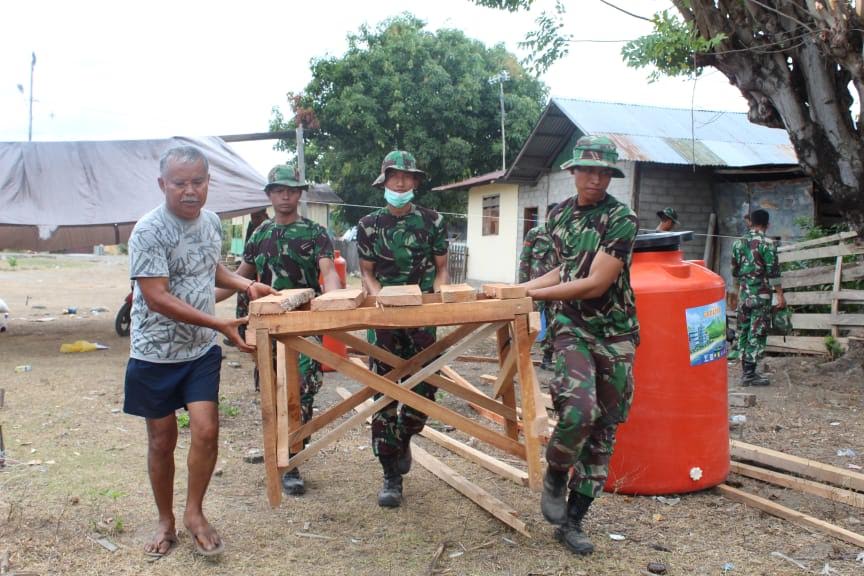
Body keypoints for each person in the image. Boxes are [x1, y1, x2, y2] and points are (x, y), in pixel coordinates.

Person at [124, 145, 275, 558]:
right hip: (155, 353)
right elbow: (156, 297)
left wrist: (246, 284)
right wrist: (219, 323)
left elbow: (209, 267)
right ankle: (165, 520)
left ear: (209, 182)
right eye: (179, 183)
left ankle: (194, 513)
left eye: (197, 182)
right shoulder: (149, 231)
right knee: (162, 439)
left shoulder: (210, 222)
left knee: (207, 430)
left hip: (199, 351)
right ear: (163, 184)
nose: (189, 191)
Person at [520, 135, 639, 556]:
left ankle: (573, 522)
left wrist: (533, 295)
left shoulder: (621, 218)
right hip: (572, 326)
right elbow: (563, 271)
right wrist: (519, 290)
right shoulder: (558, 216)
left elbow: (596, 282)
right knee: (579, 410)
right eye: (587, 170)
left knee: (604, 427)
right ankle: (556, 471)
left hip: (616, 332)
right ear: (572, 172)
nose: (595, 179)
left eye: (604, 172)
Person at [228, 162, 341, 495]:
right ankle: (279, 452)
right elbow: (241, 276)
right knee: (271, 392)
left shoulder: (315, 233)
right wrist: (198, 297)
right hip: (266, 327)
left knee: (301, 390)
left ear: (299, 195)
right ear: (270, 195)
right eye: (279, 191)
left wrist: (337, 301)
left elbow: (328, 273)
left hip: (304, 325)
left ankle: (291, 460)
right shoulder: (260, 235)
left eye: (291, 191)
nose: (285, 197)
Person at [357, 150, 449, 508]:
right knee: (383, 392)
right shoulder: (369, 225)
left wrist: (439, 299)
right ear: (384, 180)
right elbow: (367, 273)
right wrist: (381, 299)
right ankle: (390, 475)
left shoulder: (433, 221)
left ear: (415, 182)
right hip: (384, 319)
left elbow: (442, 269)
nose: (400, 182)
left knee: (424, 389)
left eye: (407, 176)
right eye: (394, 175)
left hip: (422, 316)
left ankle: (406, 435)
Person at [730, 209, 785, 386]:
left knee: (744, 331)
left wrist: (742, 284)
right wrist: (780, 295)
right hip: (761, 296)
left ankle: (745, 371)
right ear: (767, 224)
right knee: (757, 332)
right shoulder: (768, 244)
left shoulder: (738, 243)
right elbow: (773, 272)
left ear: (751, 222)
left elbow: (734, 271)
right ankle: (749, 374)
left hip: (744, 295)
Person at [518, 221, 556, 370]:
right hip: (534, 288)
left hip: (557, 289)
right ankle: (521, 356)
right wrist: (522, 286)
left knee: (554, 322)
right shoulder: (535, 233)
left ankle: (547, 358)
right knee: (529, 321)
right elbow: (524, 260)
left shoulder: (564, 235)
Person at [231, 209, 270, 346]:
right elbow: (248, 255)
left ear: (265, 215)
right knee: (243, 303)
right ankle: (242, 335)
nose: (254, 220)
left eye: (257, 217)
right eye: (253, 217)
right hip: (248, 277)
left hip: (260, 280)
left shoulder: (267, 229)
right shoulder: (254, 229)